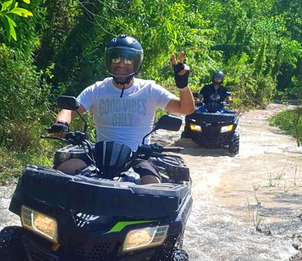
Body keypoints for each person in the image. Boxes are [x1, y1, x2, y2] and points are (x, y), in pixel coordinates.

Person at [50, 34, 195, 184]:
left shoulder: (149, 90)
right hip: (99, 155)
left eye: (127, 60)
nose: (121, 64)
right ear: (109, 62)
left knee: (152, 185)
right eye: (115, 59)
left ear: (136, 63)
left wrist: (183, 85)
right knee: (61, 173)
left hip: (137, 157)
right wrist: (62, 123)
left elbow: (186, 108)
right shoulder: (97, 89)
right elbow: (69, 110)